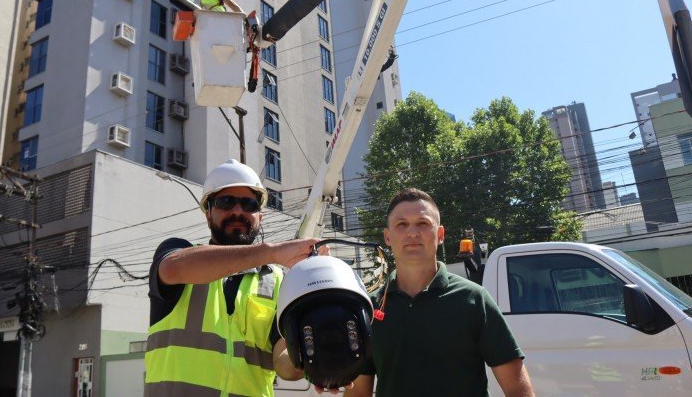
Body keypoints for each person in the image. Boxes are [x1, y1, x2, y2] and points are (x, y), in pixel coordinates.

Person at [144, 159, 318, 396]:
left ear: (260, 216)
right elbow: (174, 269)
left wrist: (310, 356)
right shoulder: (179, 253)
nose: (238, 211)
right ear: (208, 214)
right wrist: (273, 252)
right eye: (226, 202)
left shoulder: (278, 281)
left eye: (249, 204)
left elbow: (283, 361)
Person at [343, 188, 534, 397]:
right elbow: (358, 392)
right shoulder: (369, 309)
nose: (412, 233)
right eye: (402, 224)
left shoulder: (474, 299)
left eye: (423, 223)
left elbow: (518, 390)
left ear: (440, 234)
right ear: (387, 237)